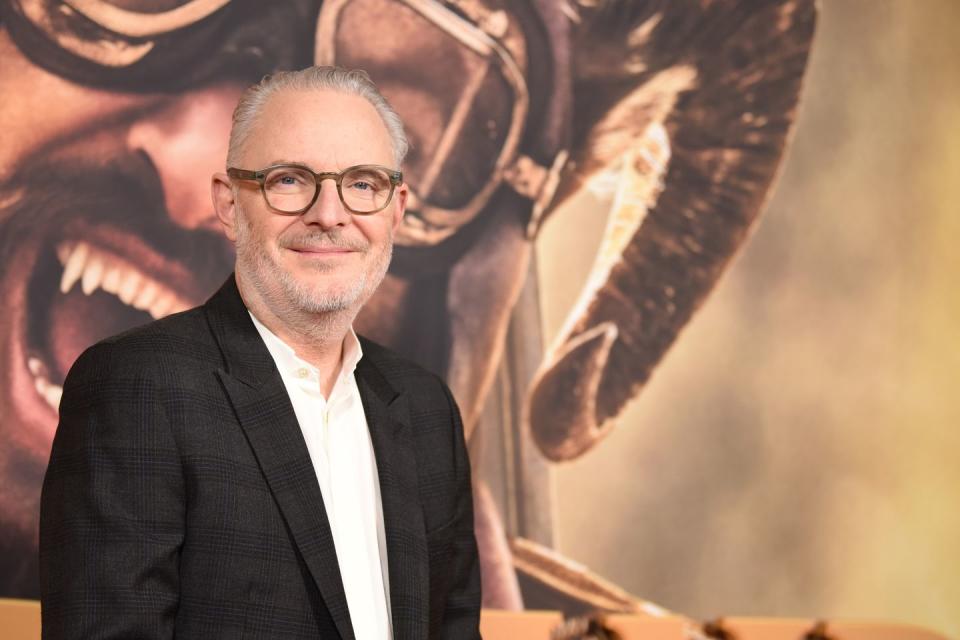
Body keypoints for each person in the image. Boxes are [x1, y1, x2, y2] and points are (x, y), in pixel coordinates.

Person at [39, 66, 482, 639]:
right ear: (229, 204)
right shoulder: (137, 386)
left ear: (396, 210)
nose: (329, 214)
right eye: (290, 180)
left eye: (364, 184)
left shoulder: (425, 408)